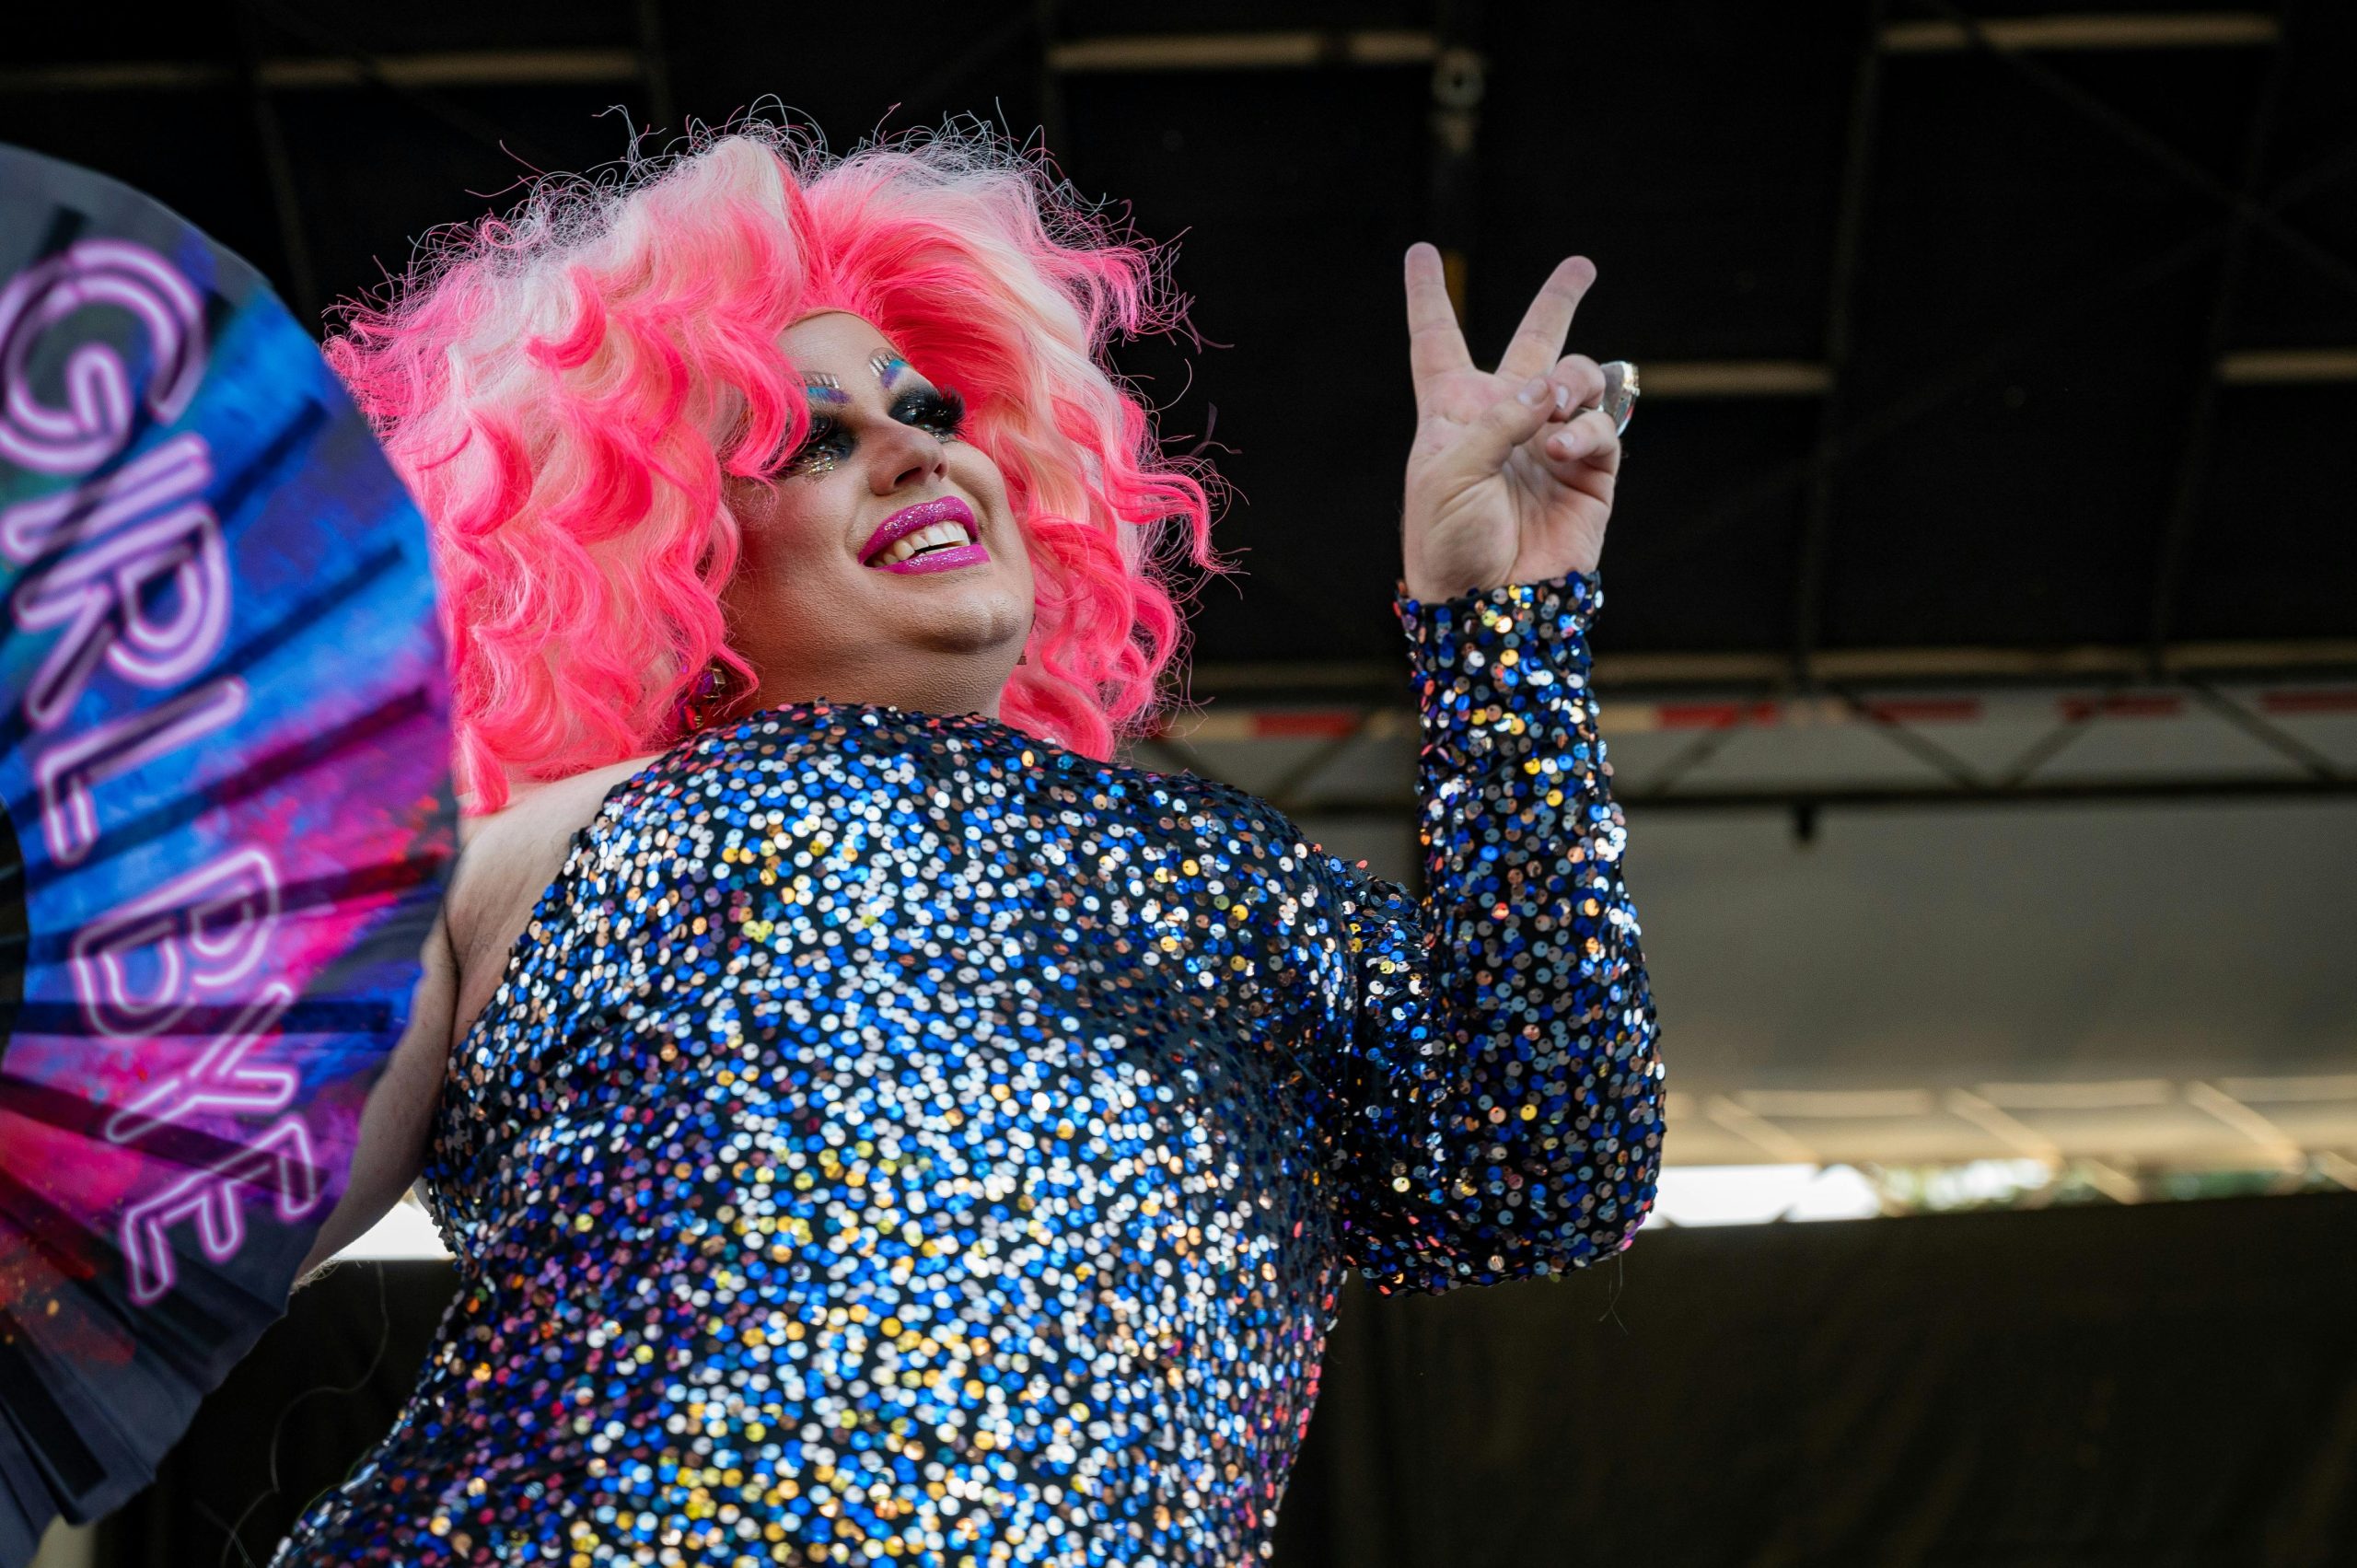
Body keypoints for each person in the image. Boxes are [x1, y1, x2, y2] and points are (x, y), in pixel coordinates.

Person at [276, 121, 1663, 1567]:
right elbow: (167, 1241)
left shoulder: (1228, 884)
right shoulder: (513, 862)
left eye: (930, 410)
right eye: (804, 439)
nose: (908, 453)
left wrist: (1501, 641)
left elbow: (1548, 1161)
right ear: (672, 547)